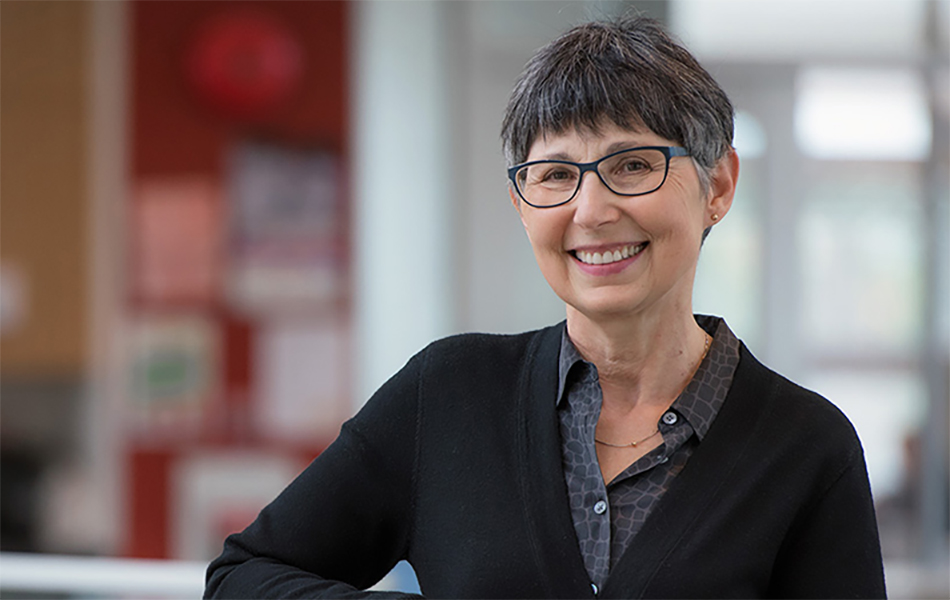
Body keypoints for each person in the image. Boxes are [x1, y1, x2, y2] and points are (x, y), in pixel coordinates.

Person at [204, 16, 886, 599]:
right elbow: (244, 576)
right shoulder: (447, 395)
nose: (591, 211)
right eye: (556, 175)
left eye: (633, 165)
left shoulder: (807, 448)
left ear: (718, 184)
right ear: (521, 205)